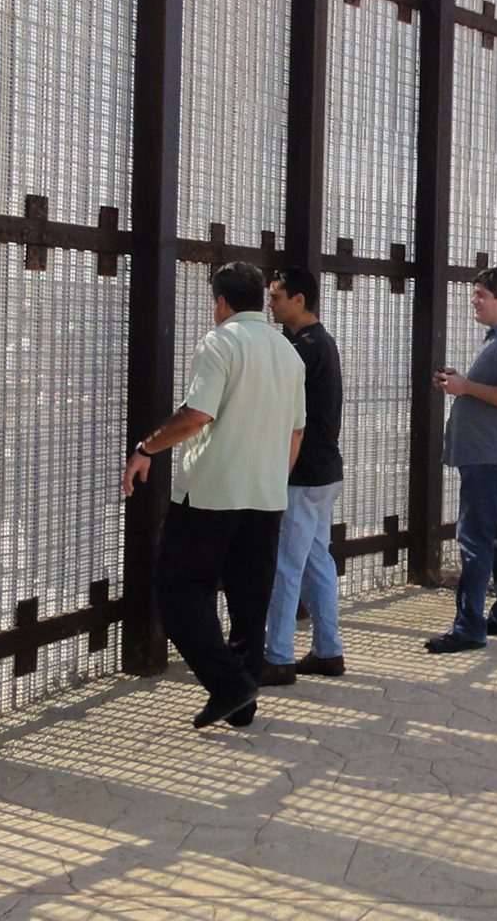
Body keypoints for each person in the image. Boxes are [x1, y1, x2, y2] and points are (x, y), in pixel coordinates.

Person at [123, 261, 305, 728]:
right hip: (266, 497)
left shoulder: (220, 342)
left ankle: (227, 685)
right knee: (249, 603)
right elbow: (297, 432)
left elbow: (196, 415)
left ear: (221, 302)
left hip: (211, 494)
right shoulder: (288, 352)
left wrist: (147, 447)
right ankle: (241, 702)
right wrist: (270, 478)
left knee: (176, 587)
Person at [426, 267, 497, 654]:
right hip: (494, 456)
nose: (474, 301)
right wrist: (463, 385)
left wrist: (465, 388)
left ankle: (469, 627)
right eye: (474, 294)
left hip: (493, 457)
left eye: (481, 295)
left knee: (474, 540)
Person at [260, 267, 347, 685]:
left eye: (276, 296)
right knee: (315, 562)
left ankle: (276, 657)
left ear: (299, 299)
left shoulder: (306, 348)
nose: (270, 303)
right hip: (323, 473)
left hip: (304, 474)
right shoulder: (314, 344)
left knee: (286, 565)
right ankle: (328, 651)